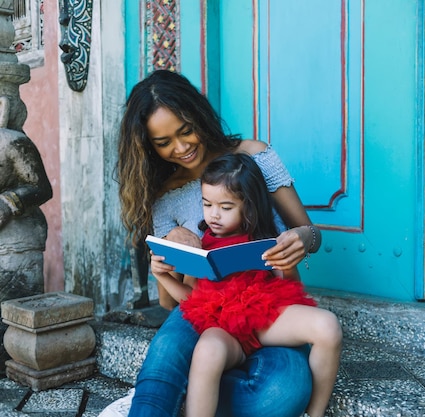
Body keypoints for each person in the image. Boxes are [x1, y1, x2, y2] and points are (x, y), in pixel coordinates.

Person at [116, 70, 328, 417]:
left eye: (186, 131)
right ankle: (161, 399)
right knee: (166, 351)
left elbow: (309, 232)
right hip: (204, 308)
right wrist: (169, 257)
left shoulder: (255, 156)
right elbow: (171, 303)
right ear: (147, 145)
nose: (181, 148)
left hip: (267, 304)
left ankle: (189, 393)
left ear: (200, 116)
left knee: (279, 396)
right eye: (163, 141)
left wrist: (304, 238)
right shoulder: (164, 198)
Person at [151, 153, 342, 417]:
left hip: (263, 318)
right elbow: (191, 300)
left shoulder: (267, 238)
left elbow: (291, 291)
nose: (214, 215)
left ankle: (315, 414)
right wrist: (162, 276)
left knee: (328, 326)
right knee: (207, 351)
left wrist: (284, 264)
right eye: (207, 204)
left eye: (226, 207)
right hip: (223, 329)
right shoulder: (200, 244)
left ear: (249, 205)